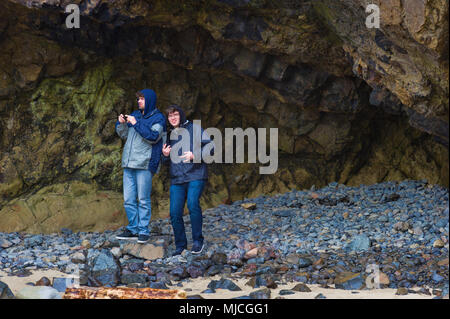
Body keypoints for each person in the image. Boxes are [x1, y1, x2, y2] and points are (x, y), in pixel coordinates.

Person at [115, 89, 166, 244]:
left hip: (144, 163)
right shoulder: (135, 114)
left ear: (149, 100)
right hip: (129, 163)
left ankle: (143, 231)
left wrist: (137, 124)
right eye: (138, 99)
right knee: (128, 199)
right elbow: (124, 135)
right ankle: (133, 228)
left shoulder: (159, 119)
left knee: (143, 199)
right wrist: (121, 124)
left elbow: (153, 137)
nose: (139, 101)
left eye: (142, 99)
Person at [162, 105, 213, 256]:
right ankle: (181, 246)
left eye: (175, 115)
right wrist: (164, 155)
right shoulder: (168, 135)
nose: (173, 118)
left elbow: (211, 145)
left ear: (181, 115)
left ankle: (198, 241)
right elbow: (164, 161)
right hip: (177, 179)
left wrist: (195, 155)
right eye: (170, 116)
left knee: (192, 204)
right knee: (175, 213)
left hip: (196, 174)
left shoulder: (194, 128)